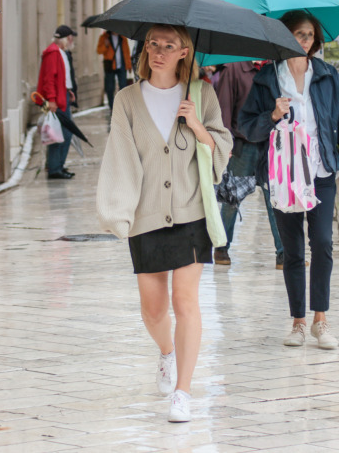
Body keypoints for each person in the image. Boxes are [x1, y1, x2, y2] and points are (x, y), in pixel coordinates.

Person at [97, 24, 233, 422]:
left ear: (184, 52)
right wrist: (117, 210)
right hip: (145, 214)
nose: (158, 51)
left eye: (168, 45)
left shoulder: (201, 94)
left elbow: (221, 146)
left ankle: (183, 391)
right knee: (153, 309)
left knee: (185, 301)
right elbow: (120, 155)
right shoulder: (126, 99)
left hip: (191, 212)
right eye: (153, 44)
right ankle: (167, 353)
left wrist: (196, 125)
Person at [238, 11, 339, 350]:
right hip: (284, 177)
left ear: (316, 40)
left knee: (324, 244)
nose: (304, 41)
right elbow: (246, 126)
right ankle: (297, 321)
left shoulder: (326, 76)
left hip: (321, 172)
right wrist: (272, 115)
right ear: (283, 37)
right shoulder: (268, 79)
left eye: (309, 35)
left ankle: (320, 319)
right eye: (297, 35)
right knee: (293, 250)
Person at [214, 60, 284, 269]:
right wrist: (225, 144)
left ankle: (283, 252)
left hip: (272, 143)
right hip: (244, 145)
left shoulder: (277, 69)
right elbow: (224, 108)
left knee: (275, 199)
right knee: (232, 198)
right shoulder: (233, 69)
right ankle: (221, 245)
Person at [37, 25, 78, 179]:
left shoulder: (61, 53)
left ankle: (59, 166)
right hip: (57, 101)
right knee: (58, 134)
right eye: (71, 37)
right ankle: (55, 168)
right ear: (67, 38)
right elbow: (49, 80)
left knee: (65, 134)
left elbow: (61, 78)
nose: (72, 40)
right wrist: (52, 100)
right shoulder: (53, 53)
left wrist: (68, 91)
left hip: (63, 97)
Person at [96, 30, 132, 111]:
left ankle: (123, 106)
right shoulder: (104, 37)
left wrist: (128, 65)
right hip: (110, 66)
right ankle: (112, 107)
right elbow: (99, 50)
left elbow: (126, 52)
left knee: (123, 86)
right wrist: (105, 45)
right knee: (110, 88)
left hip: (121, 65)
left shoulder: (123, 37)